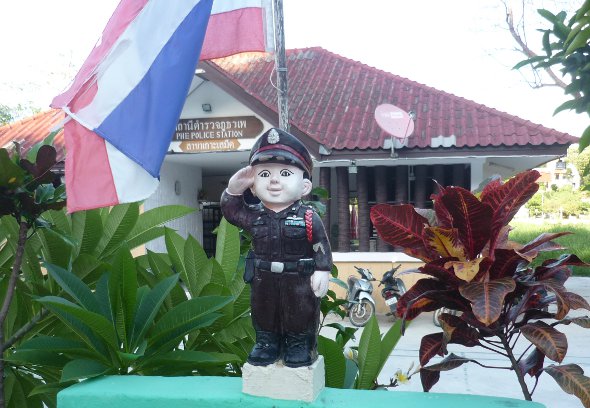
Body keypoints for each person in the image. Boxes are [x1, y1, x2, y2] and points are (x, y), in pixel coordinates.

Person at [220, 127, 332, 368]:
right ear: (253, 185)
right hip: (264, 277)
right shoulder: (255, 216)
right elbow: (233, 212)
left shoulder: (308, 217)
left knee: (299, 311)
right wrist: (233, 190)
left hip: (298, 279)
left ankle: (298, 344)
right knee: (263, 309)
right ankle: (266, 343)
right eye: (263, 174)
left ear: (304, 187)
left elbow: (320, 245)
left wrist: (323, 269)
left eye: (284, 173)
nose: (273, 181)